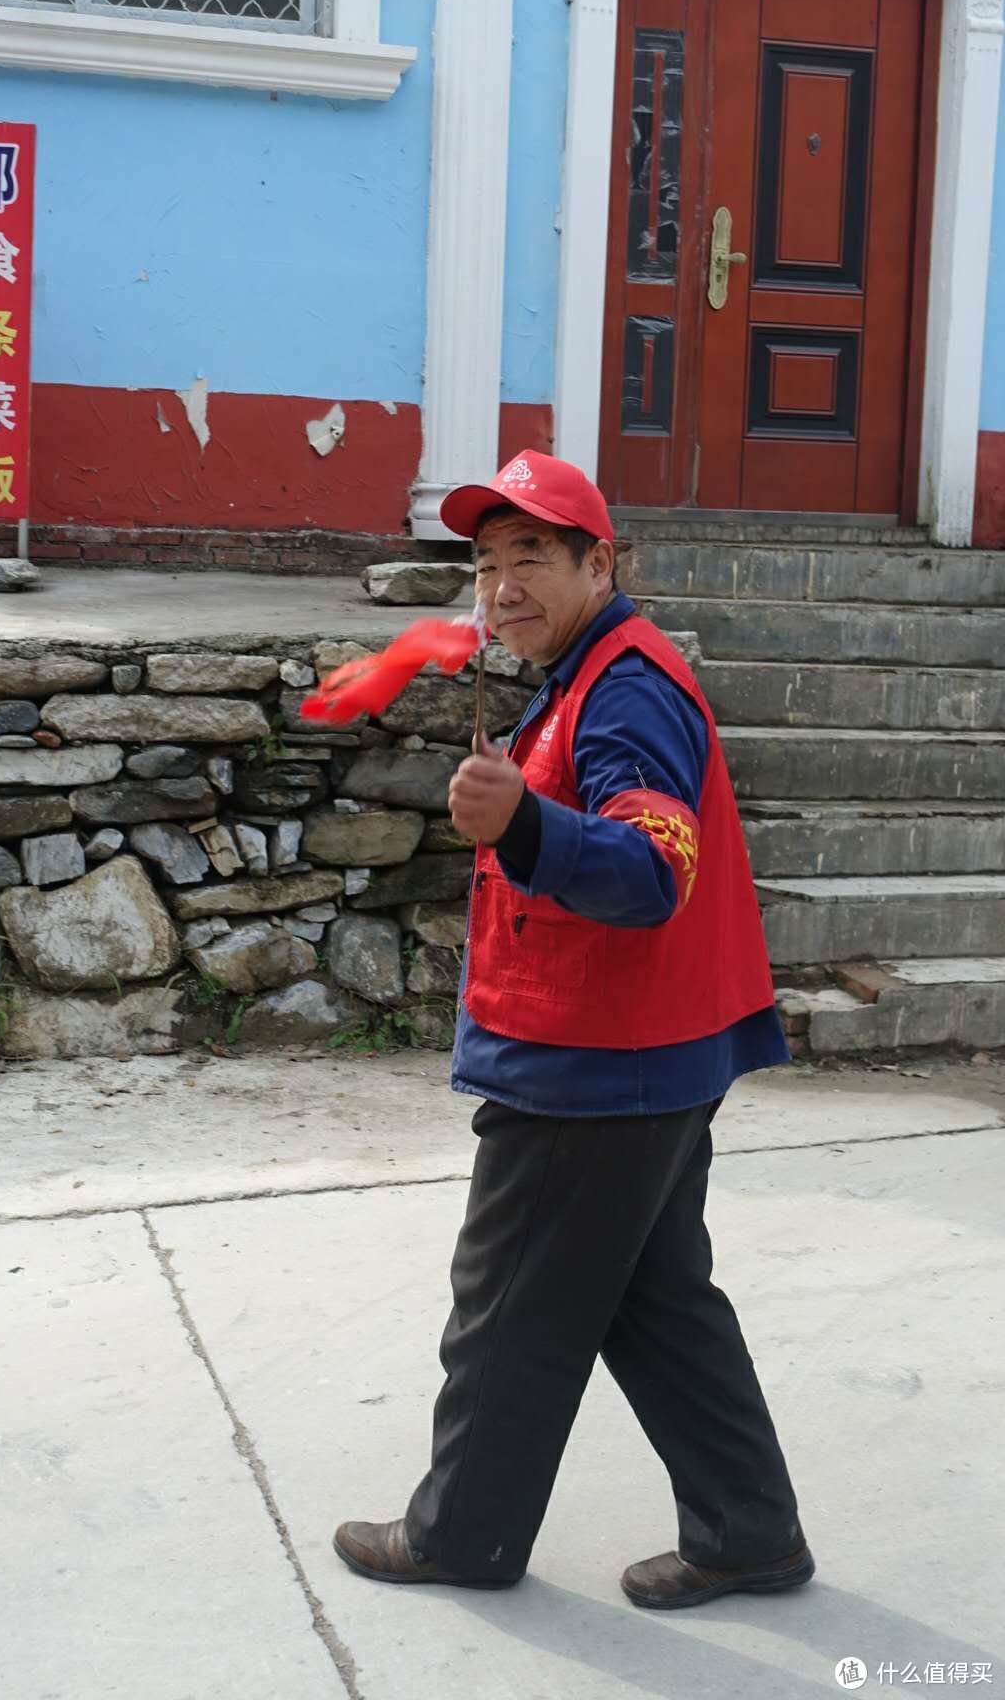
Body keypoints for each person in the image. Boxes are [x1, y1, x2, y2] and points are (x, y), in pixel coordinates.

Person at [333, 451, 813, 1609]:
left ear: (603, 562)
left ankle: (465, 1535)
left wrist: (529, 826)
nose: (502, 588)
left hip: (596, 1069)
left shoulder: (628, 687)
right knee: (654, 1304)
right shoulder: (591, 671)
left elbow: (653, 868)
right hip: (651, 1057)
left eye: (532, 560)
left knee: (505, 1311)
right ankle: (750, 1531)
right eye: (488, 565)